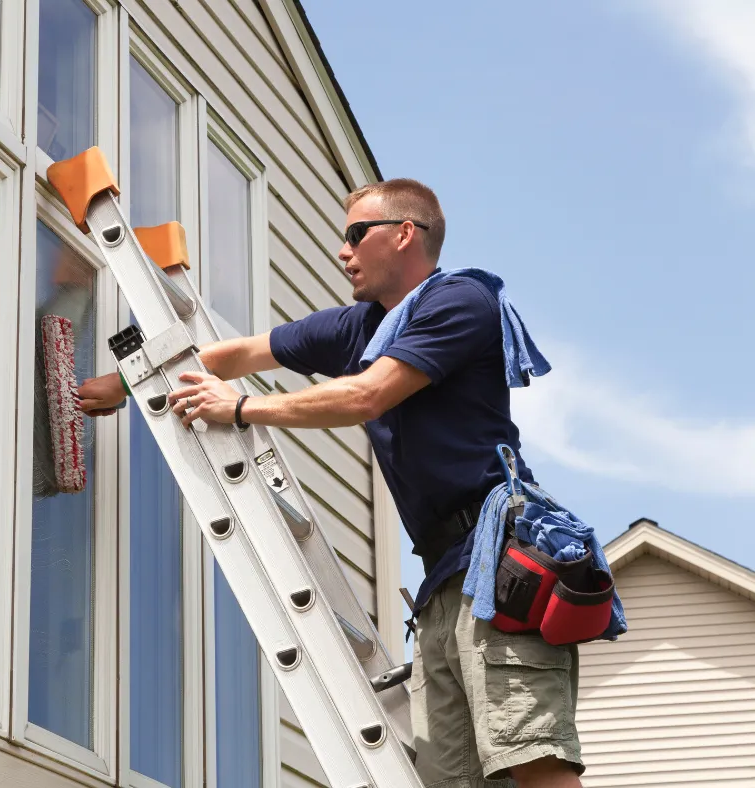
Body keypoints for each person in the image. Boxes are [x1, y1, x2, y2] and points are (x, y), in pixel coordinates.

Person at [76, 179, 585, 787]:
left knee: (531, 758)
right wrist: (124, 383)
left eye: (355, 234)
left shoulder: (460, 301)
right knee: (451, 780)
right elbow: (240, 354)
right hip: (443, 578)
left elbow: (368, 395)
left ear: (405, 234)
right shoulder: (361, 327)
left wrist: (240, 409)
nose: (343, 251)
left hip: (496, 564)